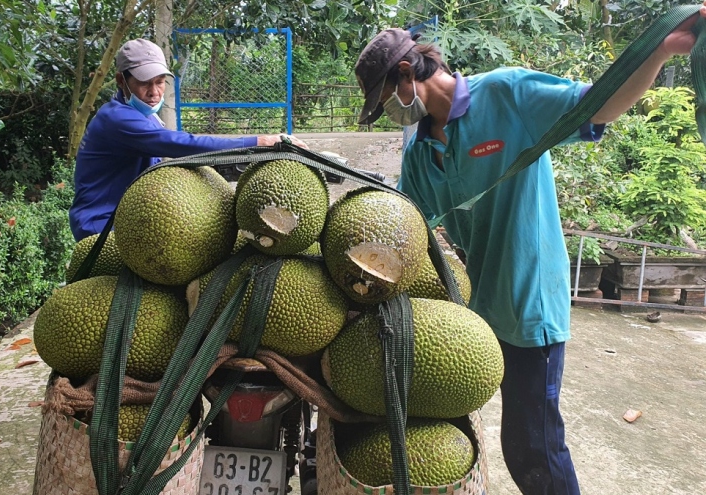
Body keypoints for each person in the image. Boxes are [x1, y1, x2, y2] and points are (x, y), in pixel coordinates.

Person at [353, 5, 706, 494]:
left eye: (388, 97)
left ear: (409, 73)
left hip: (530, 304)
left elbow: (598, 105)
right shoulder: (420, 154)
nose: (391, 110)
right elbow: (407, 225)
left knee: (533, 447)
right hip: (479, 310)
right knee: (458, 424)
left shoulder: (507, 93)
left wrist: (660, 51)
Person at [70, 38, 306, 241]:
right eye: (144, 83)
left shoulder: (143, 114)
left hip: (129, 215)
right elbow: (183, 145)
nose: (154, 92)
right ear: (122, 81)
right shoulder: (118, 119)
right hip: (100, 226)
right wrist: (259, 141)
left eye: (160, 82)